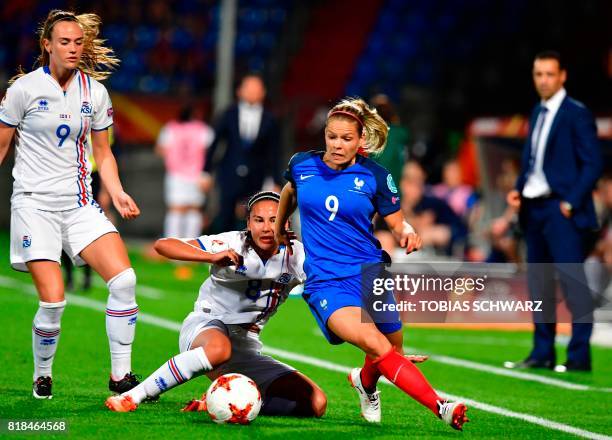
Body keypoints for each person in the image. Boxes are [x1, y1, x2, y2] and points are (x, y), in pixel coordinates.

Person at [274, 98, 468, 430]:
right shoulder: (301, 164)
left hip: (369, 275)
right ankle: (442, 407)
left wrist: (407, 232)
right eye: (332, 137)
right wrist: (279, 228)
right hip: (327, 281)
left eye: (346, 139)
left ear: (360, 140)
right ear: (325, 135)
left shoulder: (375, 176)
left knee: (392, 347)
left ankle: (365, 383)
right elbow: (290, 191)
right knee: (377, 345)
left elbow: (396, 221)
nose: (337, 145)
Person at [0, 10, 143, 399]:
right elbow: (2, 145)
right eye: (64, 42)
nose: (73, 48)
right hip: (33, 206)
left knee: (125, 281)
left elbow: (103, 152)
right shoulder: (23, 90)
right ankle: (42, 374)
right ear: (47, 45)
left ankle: (121, 377)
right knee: (54, 301)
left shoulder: (94, 92)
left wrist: (115, 191)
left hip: (78, 204)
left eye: (78, 42)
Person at [105, 191, 327, 417]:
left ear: (286, 222)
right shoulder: (232, 242)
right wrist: (210, 257)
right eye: (259, 220)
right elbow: (163, 245)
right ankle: (133, 396)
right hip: (206, 328)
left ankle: (219, 403)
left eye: (274, 219)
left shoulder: (299, 255)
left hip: (245, 344)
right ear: (248, 223)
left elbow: (334, 279)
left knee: (315, 403)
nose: (267, 227)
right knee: (219, 348)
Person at [505, 51, 602, 372]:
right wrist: (520, 189)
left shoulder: (577, 113)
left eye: (549, 74)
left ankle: (578, 356)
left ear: (563, 76)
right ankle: (542, 352)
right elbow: (534, 160)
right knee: (539, 284)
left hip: (562, 210)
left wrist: (570, 202)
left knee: (574, 283)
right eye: (538, 74)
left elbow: (593, 163)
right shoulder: (537, 111)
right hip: (535, 209)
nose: (543, 80)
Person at [205, 73, 281, 232]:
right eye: (249, 88)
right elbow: (215, 143)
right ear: (239, 91)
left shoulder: (270, 119)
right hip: (229, 172)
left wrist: (276, 180)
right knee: (226, 214)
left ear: (263, 92)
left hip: (256, 175)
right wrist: (206, 171)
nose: (252, 92)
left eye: (256, 88)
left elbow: (274, 152)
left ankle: (249, 252)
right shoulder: (228, 114)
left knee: (253, 214)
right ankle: (224, 253)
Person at [155, 104, 214, 240]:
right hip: (197, 174)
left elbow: (160, 149)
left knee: (175, 209)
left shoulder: (170, 128)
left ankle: (172, 247)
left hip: (175, 175)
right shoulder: (204, 129)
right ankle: (191, 246)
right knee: (194, 209)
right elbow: (210, 151)